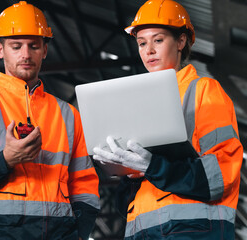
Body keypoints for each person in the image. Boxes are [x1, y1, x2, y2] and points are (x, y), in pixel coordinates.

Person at [0, 2, 100, 239]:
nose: (25, 54)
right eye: (16, 46)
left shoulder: (67, 114)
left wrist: (78, 234)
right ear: (0, 49)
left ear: (44, 50)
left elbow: (84, 187)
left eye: (33, 46)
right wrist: (4, 160)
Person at [93, 0, 243, 239]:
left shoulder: (202, 90)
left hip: (192, 230)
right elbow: (126, 206)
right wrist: (128, 173)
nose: (148, 50)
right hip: (141, 231)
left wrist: (152, 166)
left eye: (158, 40)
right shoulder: (134, 106)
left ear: (181, 41)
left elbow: (221, 175)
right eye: (142, 43)